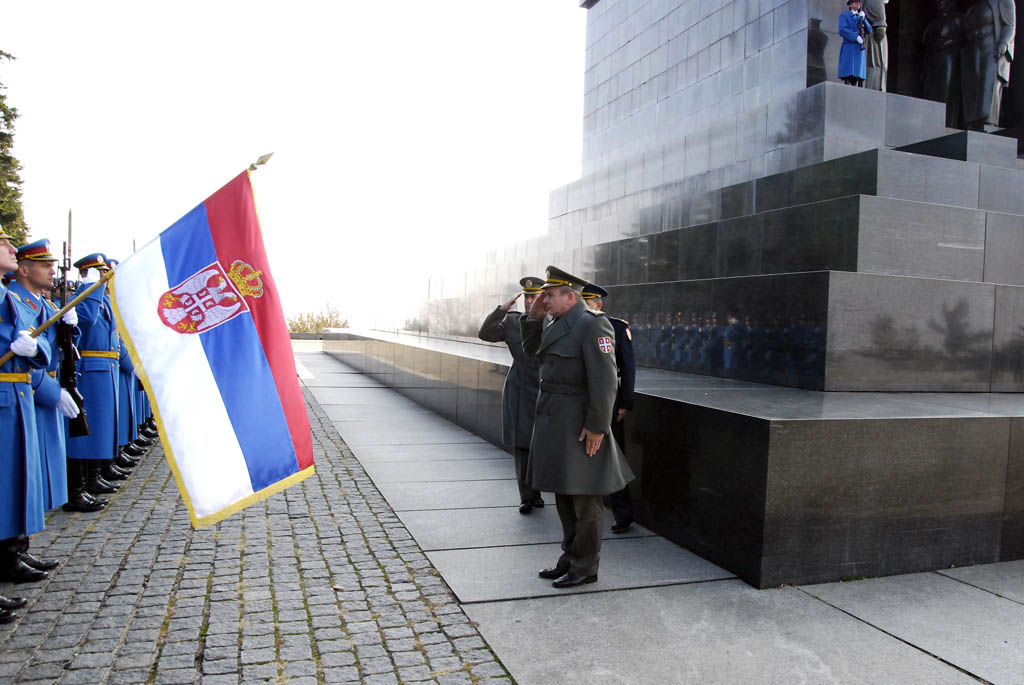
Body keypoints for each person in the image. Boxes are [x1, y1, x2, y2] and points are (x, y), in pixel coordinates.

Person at [522, 266, 634, 589]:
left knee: (586, 501)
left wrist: (598, 426)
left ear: (570, 297)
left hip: (580, 426)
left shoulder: (592, 324)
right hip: (555, 422)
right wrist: (533, 318)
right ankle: (570, 557)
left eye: (550, 295)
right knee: (564, 494)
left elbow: (606, 380)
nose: (545, 300)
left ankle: (585, 566)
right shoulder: (556, 322)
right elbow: (533, 354)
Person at [0, 225, 52, 614]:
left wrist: (34, 349)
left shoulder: (8, 296)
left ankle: (12, 554)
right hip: (8, 394)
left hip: (15, 393)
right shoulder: (10, 295)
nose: (10, 247)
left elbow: (35, 337)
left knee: (16, 481)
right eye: (2, 243)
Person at [477, 276, 544, 514]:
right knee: (522, 443)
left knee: (543, 443)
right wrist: (501, 310)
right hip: (520, 389)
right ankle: (527, 497)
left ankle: (539, 489)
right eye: (527, 298)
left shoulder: (552, 322)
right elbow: (485, 333)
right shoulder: (513, 322)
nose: (529, 302)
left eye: (534, 297)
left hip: (546, 388)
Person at [581, 283, 636, 534]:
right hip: (581, 400)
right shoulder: (574, 327)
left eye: (588, 304)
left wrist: (625, 402)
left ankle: (622, 513)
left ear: (599, 305)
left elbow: (628, 368)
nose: (585, 309)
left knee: (613, 457)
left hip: (610, 401)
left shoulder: (616, 327)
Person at [66, 253, 120, 505]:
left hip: (104, 366)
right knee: (87, 430)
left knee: (101, 426)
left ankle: (95, 475)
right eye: (100, 273)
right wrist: (91, 287)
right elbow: (86, 319)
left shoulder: (103, 300)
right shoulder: (81, 299)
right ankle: (81, 484)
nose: (105, 278)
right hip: (89, 370)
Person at [838, 0, 872, 87]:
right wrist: (855, 37)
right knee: (848, 73)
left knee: (857, 74)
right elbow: (842, 29)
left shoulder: (860, 16)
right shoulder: (845, 15)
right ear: (850, 4)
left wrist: (864, 19)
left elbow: (869, 30)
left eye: (859, 2)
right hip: (849, 46)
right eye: (855, 2)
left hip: (858, 48)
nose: (858, 4)